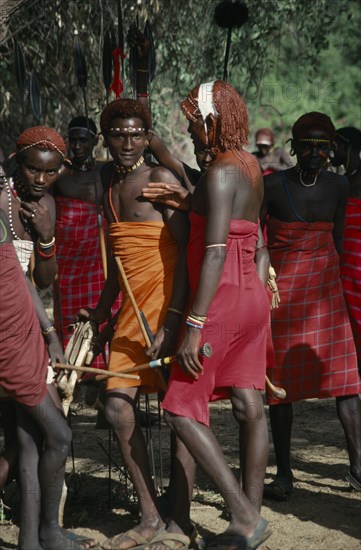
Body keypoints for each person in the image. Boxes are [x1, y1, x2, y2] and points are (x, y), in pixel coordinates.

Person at [147, 80, 272, 550]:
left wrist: (193, 326)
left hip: (220, 301)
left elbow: (215, 251)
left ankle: (243, 516)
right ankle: (249, 518)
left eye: (194, 121)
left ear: (212, 122)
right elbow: (215, 206)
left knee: (179, 409)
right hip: (252, 299)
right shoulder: (247, 167)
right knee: (248, 404)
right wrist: (158, 147)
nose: (188, 127)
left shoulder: (220, 172)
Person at [78, 98, 189, 549]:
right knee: (117, 406)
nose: (127, 143)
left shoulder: (160, 178)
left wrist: (176, 321)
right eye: (119, 135)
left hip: (168, 309)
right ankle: (149, 516)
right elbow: (117, 265)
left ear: (149, 137)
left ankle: (180, 517)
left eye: (136, 135)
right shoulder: (107, 183)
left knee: (181, 412)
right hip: (130, 314)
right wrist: (103, 314)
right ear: (107, 138)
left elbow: (185, 258)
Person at [260, 112, 361, 500]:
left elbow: (337, 238)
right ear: (294, 147)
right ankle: (284, 473)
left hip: (325, 293)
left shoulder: (339, 186)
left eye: (324, 145)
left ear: (333, 148)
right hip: (283, 295)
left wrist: (325, 276)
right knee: (281, 387)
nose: (316, 152)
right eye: (308, 145)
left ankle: (357, 467)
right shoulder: (272, 186)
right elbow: (260, 239)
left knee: (348, 382)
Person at [0, 207, 99, 550]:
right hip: (8, 343)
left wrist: (49, 334)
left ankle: (34, 539)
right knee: (59, 434)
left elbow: (20, 277)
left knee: (29, 444)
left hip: (26, 335)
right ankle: (48, 533)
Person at [53, 116, 121, 363]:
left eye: (83, 140)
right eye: (73, 140)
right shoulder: (59, 173)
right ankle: (73, 369)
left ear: (96, 141)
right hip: (70, 262)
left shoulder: (106, 170)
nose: (77, 145)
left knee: (106, 310)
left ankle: (103, 370)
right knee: (70, 316)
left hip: (100, 261)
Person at [331, 127, 361, 377]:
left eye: (336, 146)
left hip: (356, 263)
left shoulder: (354, 181)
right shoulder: (342, 180)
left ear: (348, 147)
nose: (332, 152)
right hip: (346, 261)